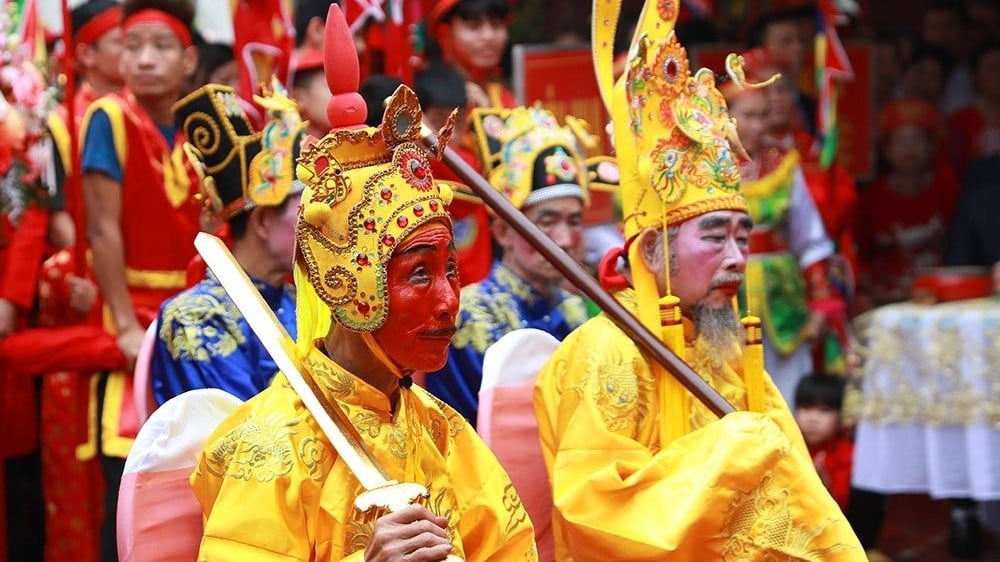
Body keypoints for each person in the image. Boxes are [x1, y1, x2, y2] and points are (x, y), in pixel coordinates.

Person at [190, 7, 536, 560]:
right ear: (351, 289)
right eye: (418, 273)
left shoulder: (443, 431)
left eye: (450, 270)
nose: (449, 301)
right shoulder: (271, 447)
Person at [533, 0, 865, 559]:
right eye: (714, 236)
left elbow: (799, 493)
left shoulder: (726, 345)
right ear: (655, 250)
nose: (737, 257)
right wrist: (726, 454)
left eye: (743, 236)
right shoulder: (605, 355)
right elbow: (594, 511)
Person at [78, 0, 202, 558]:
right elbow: (103, 229)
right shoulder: (109, 117)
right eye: (133, 47)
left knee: (194, 470)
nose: (145, 60)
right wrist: (125, 324)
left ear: (189, 60)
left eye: (161, 47)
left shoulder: (203, 128)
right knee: (131, 473)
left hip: (195, 315)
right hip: (139, 317)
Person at [426, 106, 605, 426]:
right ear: (504, 231)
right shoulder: (470, 316)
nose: (563, 239)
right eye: (546, 222)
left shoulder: (574, 310)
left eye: (574, 221)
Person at [151, 82, 303, 405]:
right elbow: (235, 436)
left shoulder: (304, 302)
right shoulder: (195, 317)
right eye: (305, 208)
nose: (320, 220)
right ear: (262, 222)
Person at [723, 51, 845, 399]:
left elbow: (811, 240)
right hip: (729, 291)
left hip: (783, 295)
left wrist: (822, 303)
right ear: (725, 118)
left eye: (763, 115)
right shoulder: (708, 168)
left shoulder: (784, 166)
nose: (758, 125)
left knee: (787, 387)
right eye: (747, 115)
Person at [856, 99, 959, 310]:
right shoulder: (872, 198)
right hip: (884, 299)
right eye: (900, 141)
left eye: (917, 139)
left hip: (939, 297)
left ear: (931, 146)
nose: (909, 149)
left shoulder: (948, 190)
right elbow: (859, 254)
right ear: (886, 149)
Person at [414, 61, 492, 286]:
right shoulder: (417, 165)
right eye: (440, 122)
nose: (452, 135)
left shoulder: (471, 157)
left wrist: (485, 116)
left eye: (458, 123)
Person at [423, 0, 515, 109]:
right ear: (445, 33)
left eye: (496, 25)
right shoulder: (425, 100)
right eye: (473, 26)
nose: (489, 36)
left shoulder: (506, 98)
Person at [794, 373, 852, 512]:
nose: (813, 418)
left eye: (824, 411)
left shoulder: (847, 454)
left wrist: (824, 482)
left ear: (841, 416)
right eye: (806, 408)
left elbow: (844, 506)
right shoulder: (788, 446)